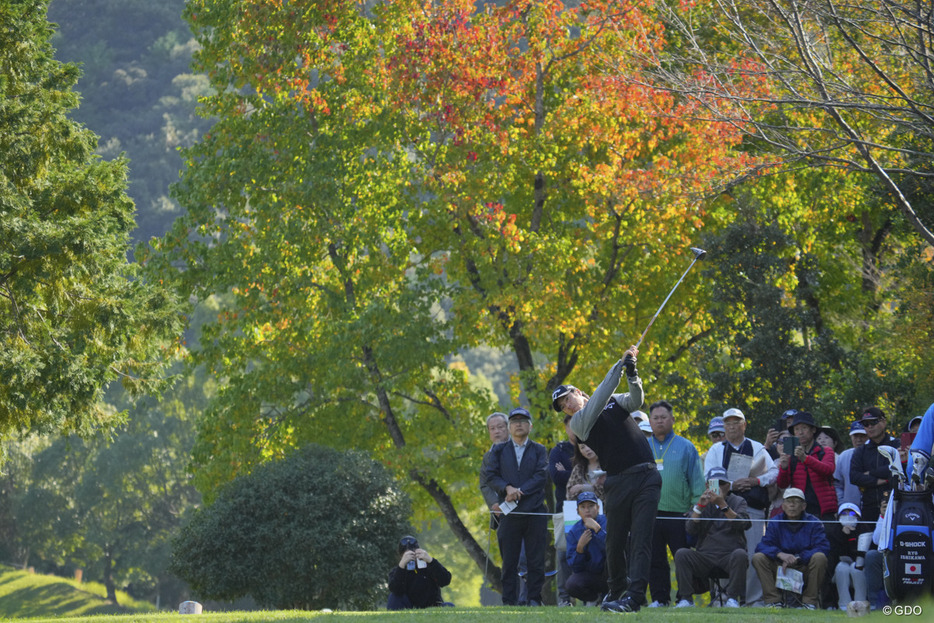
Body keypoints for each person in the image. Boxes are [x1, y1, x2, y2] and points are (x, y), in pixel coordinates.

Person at [553, 345, 659, 614]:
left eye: (566, 398)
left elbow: (636, 401)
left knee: (642, 539)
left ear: (578, 392)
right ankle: (616, 591)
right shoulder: (579, 424)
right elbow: (600, 396)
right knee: (615, 540)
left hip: (647, 475)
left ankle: (634, 598)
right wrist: (619, 365)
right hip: (618, 482)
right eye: (562, 406)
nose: (566, 406)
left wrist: (632, 373)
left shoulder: (614, 401)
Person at [704, 407, 777, 606]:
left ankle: (754, 599)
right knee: (725, 553)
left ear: (744, 426)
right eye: (727, 423)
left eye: (736, 422)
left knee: (753, 554)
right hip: (724, 508)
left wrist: (756, 481)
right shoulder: (716, 450)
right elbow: (708, 479)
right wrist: (729, 487)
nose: (731, 426)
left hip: (753, 507)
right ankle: (724, 598)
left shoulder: (757, 447)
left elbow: (774, 472)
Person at [480, 407, 548, 606]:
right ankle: (509, 600)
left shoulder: (539, 449)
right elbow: (491, 476)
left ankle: (534, 598)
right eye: (515, 421)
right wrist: (507, 488)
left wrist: (520, 491)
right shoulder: (499, 451)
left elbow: (541, 475)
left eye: (523, 420)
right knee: (509, 561)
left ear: (530, 425)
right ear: (510, 427)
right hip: (509, 514)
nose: (519, 424)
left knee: (535, 560)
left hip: (534, 511)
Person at [646, 399, 706, 608]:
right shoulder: (643, 446)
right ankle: (660, 599)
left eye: (664, 417)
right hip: (651, 512)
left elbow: (697, 481)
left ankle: (684, 597)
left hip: (680, 513)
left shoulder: (686, 446)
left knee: (682, 556)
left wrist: (695, 507)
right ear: (650, 422)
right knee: (655, 558)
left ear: (672, 420)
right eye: (656, 418)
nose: (660, 421)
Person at [673, 466, 750, 608]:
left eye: (722, 483)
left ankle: (732, 599)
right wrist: (699, 507)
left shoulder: (738, 501)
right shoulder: (702, 502)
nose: (718, 487)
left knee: (741, 554)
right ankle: (686, 599)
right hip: (705, 556)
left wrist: (723, 505)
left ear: (728, 485)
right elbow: (690, 529)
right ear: (707, 485)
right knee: (682, 553)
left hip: (730, 555)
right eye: (714, 483)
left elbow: (744, 524)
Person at [752, 487, 830, 609]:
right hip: (780, 567)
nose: (792, 505)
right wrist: (779, 554)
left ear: (803, 506)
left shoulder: (814, 522)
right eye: (788, 501)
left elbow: (823, 547)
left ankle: (809, 602)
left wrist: (798, 557)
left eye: (796, 501)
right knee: (758, 557)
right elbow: (762, 546)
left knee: (820, 557)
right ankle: (773, 601)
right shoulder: (775, 521)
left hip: (804, 566)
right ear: (783, 505)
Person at [776, 411, 838, 520]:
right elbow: (782, 484)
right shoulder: (792, 456)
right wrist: (784, 468)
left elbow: (828, 470)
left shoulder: (825, 451)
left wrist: (805, 459)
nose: (800, 432)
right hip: (800, 512)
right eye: (796, 429)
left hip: (824, 511)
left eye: (804, 428)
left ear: (813, 430)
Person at [849, 407, 899, 523]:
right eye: (865, 424)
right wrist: (882, 480)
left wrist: (871, 473)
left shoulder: (896, 444)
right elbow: (854, 477)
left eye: (873, 422)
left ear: (883, 421)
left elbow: (896, 469)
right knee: (865, 540)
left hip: (894, 506)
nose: (870, 427)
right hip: (868, 508)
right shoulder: (861, 451)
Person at [548, 413, 576, 606]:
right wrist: (584, 474)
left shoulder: (596, 446)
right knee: (564, 552)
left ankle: (595, 597)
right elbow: (556, 478)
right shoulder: (558, 450)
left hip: (594, 506)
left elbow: (601, 475)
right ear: (565, 428)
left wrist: (567, 471)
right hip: (566, 507)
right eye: (570, 426)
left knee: (595, 549)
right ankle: (565, 598)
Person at [565, 491, 608, 604]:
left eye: (591, 506)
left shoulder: (607, 522)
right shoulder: (574, 532)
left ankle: (613, 596)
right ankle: (594, 600)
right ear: (578, 511)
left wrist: (598, 530)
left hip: (611, 573)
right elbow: (575, 568)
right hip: (591, 576)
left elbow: (616, 549)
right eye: (583, 507)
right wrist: (579, 549)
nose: (587, 510)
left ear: (598, 508)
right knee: (571, 584)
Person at [388, 535, 452, 609]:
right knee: (393, 596)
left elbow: (445, 580)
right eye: (406, 555)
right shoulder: (397, 571)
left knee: (450, 606)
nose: (411, 557)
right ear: (401, 556)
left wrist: (430, 560)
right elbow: (395, 589)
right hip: (409, 607)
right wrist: (402, 565)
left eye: (412, 553)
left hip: (432, 605)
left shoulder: (429, 566)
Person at [828, 502, 869, 611]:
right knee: (842, 567)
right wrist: (843, 535)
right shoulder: (834, 531)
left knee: (856, 568)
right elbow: (835, 553)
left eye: (851, 513)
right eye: (844, 513)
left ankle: (860, 603)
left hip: (860, 566)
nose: (848, 515)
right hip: (840, 567)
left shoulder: (864, 529)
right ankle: (844, 605)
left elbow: (864, 552)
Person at [835, 421, 868, 507]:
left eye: (862, 436)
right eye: (855, 436)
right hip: (849, 508)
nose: (859, 440)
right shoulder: (844, 456)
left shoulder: (876, 455)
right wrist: (842, 503)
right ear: (851, 437)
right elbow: (837, 484)